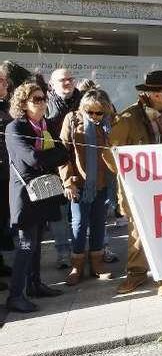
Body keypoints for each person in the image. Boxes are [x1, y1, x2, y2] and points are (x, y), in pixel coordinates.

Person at [107, 71, 162, 297]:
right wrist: (131, 177)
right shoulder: (128, 119)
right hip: (136, 188)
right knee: (138, 230)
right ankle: (137, 273)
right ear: (155, 95)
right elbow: (111, 155)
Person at [5, 82, 69, 312]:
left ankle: (34, 284)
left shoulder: (47, 125)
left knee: (37, 242)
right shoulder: (15, 128)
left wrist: (47, 156)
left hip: (44, 192)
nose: (42, 103)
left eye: (43, 98)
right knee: (25, 244)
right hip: (25, 194)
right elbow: (32, 159)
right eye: (36, 99)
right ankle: (15, 296)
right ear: (23, 103)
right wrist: (49, 156)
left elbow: (65, 154)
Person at [59, 90, 115, 285]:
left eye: (98, 113)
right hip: (80, 183)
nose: (93, 116)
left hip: (103, 183)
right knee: (79, 224)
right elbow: (62, 152)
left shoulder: (110, 122)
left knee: (99, 223)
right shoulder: (72, 120)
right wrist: (68, 182)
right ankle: (77, 265)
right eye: (89, 112)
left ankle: (97, 264)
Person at [46, 68, 79, 269]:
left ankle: (87, 250)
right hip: (52, 166)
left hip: (81, 165)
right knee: (58, 213)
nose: (67, 83)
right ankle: (63, 253)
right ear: (52, 84)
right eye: (61, 80)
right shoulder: (45, 103)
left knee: (84, 212)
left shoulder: (84, 100)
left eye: (70, 79)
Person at [0, 65, 14, 281]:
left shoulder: (5, 106)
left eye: (4, 80)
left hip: (5, 173)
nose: (3, 84)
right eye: (0, 80)